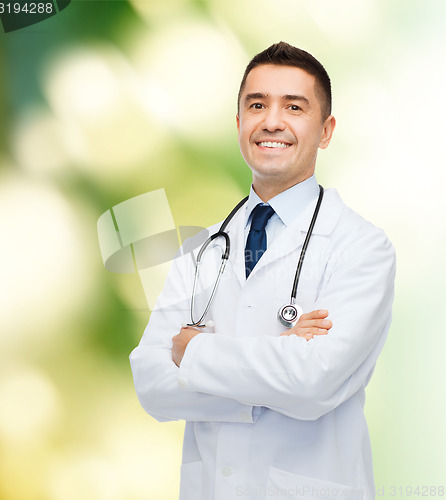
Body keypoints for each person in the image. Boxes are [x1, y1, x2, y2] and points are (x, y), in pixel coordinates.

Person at [130, 42, 396, 500]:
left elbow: (315, 381)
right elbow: (152, 384)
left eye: (294, 107)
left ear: (326, 130)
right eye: (257, 105)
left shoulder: (363, 248)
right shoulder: (201, 250)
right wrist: (278, 357)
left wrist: (195, 354)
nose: (271, 121)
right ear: (239, 124)